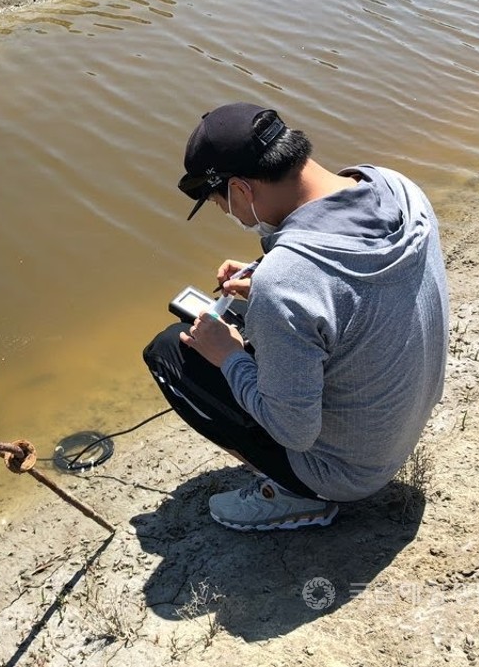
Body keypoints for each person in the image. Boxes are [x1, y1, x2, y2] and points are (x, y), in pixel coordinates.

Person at [143, 102, 449, 531]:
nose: (230, 214)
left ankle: (296, 495)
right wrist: (268, 276)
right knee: (260, 328)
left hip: (347, 475)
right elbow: (345, 285)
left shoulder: (288, 281)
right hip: (404, 420)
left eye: (223, 203)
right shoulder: (395, 187)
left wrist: (229, 355)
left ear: (243, 190)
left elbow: (294, 433)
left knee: (169, 353)